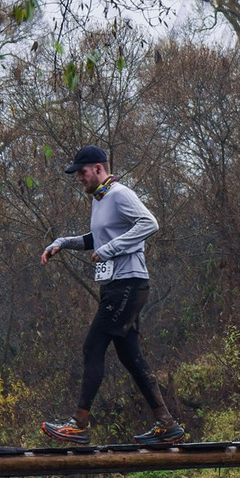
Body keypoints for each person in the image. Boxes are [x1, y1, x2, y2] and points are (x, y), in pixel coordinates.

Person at [40, 144, 186, 443]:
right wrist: (62, 242)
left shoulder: (120, 194)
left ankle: (79, 424)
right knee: (130, 356)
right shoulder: (100, 199)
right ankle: (167, 424)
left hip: (128, 284)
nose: (79, 178)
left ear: (98, 168)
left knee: (93, 347)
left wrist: (111, 249)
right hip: (116, 286)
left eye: (82, 172)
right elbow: (98, 238)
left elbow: (149, 223)